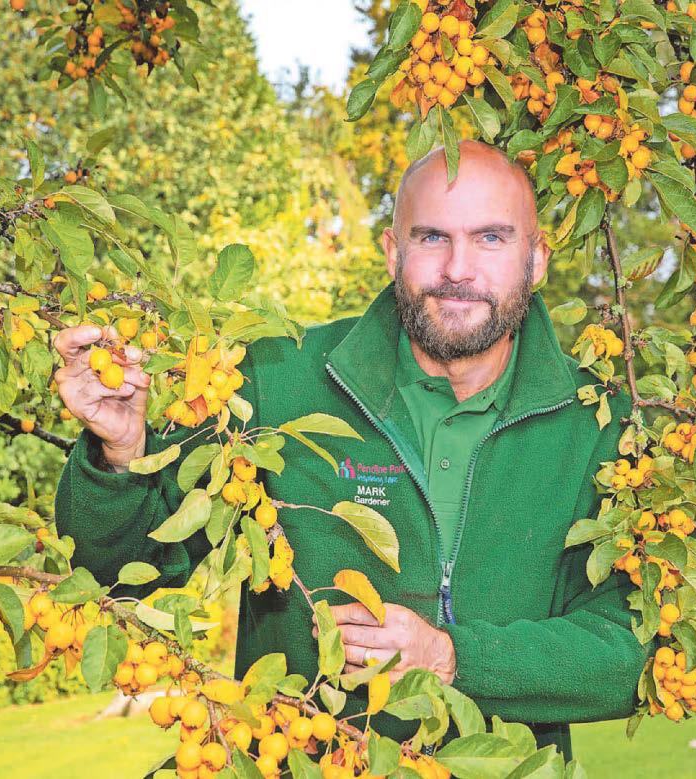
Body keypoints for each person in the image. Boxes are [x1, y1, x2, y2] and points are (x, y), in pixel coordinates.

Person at [53, 140, 648, 756]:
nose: (458, 269)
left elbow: (632, 649)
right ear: (393, 253)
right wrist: (121, 452)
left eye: (492, 238)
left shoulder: (603, 423)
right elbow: (116, 580)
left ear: (537, 258)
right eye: (431, 238)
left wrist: (451, 657)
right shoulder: (279, 379)